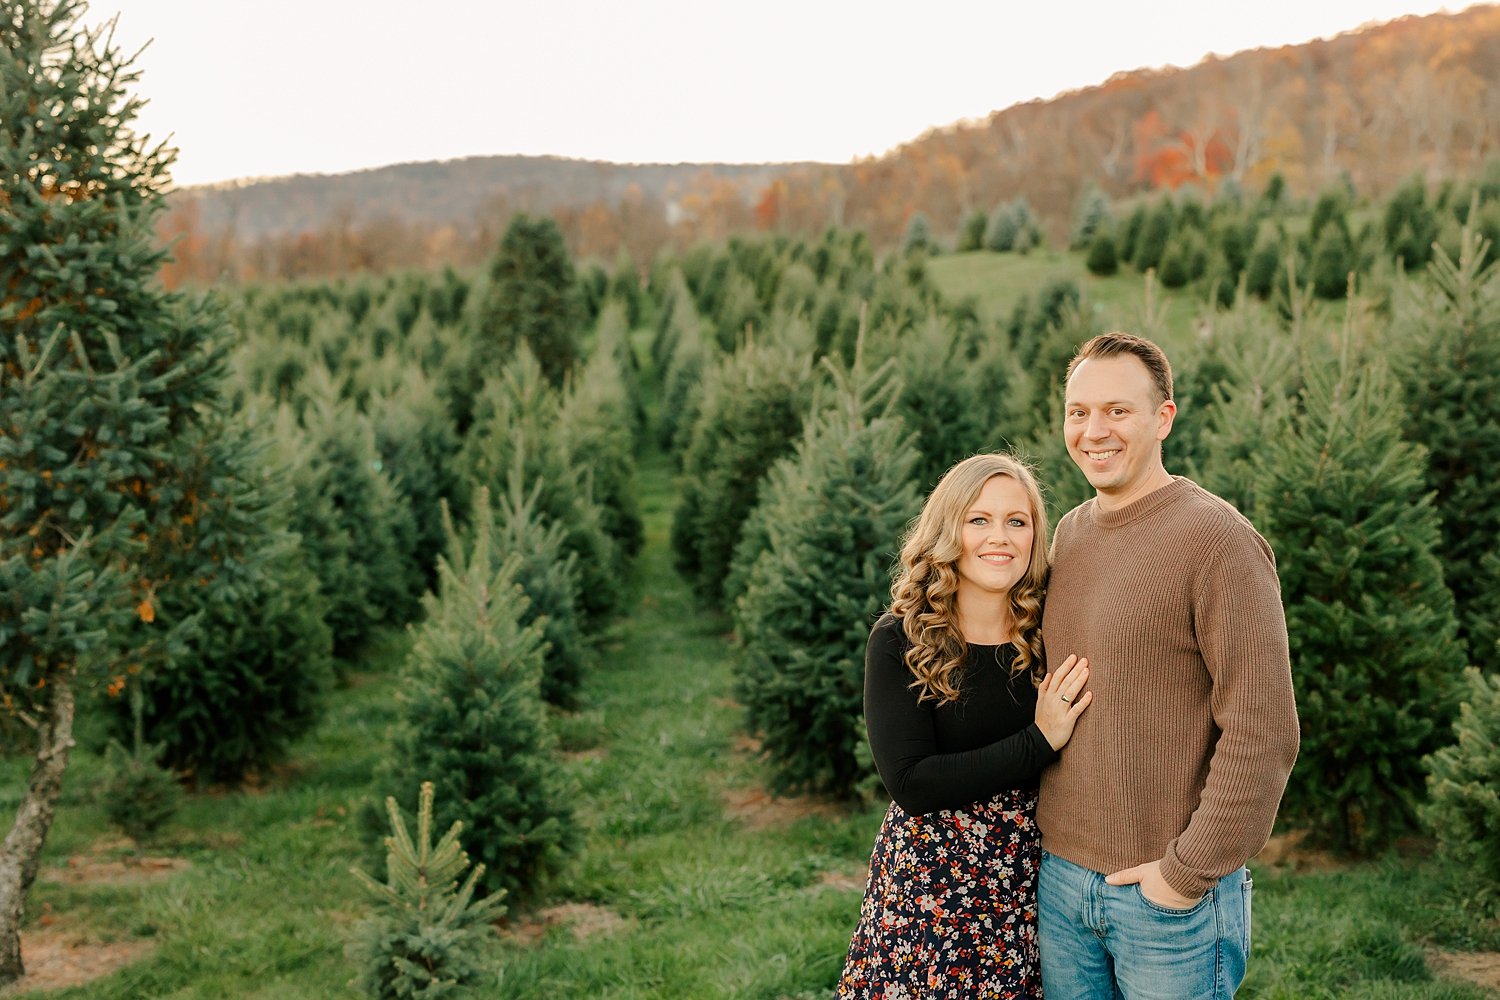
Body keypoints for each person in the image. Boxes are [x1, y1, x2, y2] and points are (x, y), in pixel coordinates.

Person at [1036, 332, 1300, 999]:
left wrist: (1183, 875)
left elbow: (1263, 731)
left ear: (1164, 418)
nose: (1094, 430)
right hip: (1062, 885)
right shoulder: (1068, 533)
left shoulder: (1219, 541)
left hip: (1164, 901)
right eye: (1079, 411)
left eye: (1118, 411)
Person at [839, 452, 1093, 998]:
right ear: (947, 530)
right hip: (931, 889)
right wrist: (1039, 740)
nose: (998, 537)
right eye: (978, 519)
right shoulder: (901, 638)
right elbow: (912, 783)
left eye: (1016, 521)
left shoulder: (1050, 632)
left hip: (1030, 881)